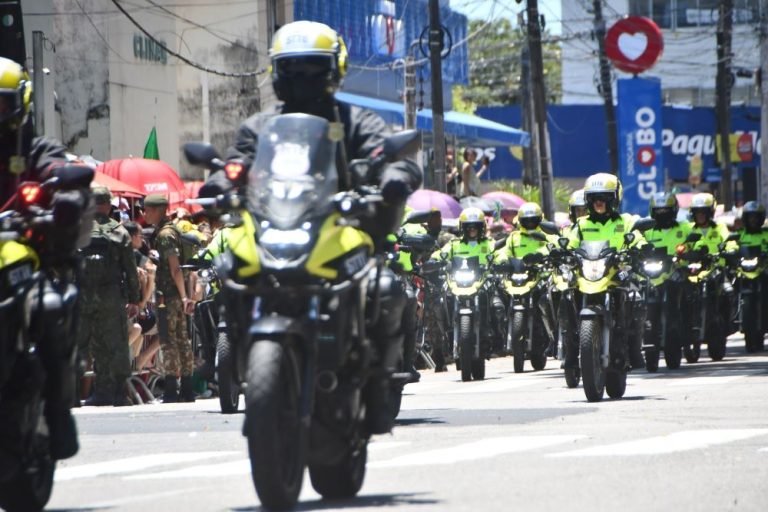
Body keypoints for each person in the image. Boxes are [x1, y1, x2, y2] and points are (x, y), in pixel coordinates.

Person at [201, 21, 421, 433]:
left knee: (389, 290)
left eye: (312, 69)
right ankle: (236, 359)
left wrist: (395, 174)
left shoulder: (354, 120)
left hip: (338, 227)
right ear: (277, 73)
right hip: (276, 226)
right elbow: (237, 162)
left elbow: (389, 152)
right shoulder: (260, 126)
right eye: (292, 69)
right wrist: (220, 182)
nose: (302, 78)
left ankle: (380, 385)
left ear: (332, 70)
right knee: (229, 271)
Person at [1, 56, 93, 460]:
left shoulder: (33, 148)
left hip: (19, 257)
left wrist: (65, 196)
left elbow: (60, 166)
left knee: (51, 306)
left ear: (20, 103)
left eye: (1, 104)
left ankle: (57, 414)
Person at [567, 172, 647, 369]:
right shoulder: (581, 225)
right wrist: (562, 252)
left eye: (604, 197)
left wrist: (641, 247)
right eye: (594, 198)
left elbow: (638, 237)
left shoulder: (625, 221)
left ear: (614, 198)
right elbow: (570, 244)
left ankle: (633, 349)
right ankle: (569, 348)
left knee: (636, 299)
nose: (599, 202)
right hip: (588, 274)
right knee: (565, 296)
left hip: (616, 274)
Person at [77, 187, 141, 406]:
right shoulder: (119, 231)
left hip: (84, 294)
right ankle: (120, 393)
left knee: (89, 343)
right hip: (111, 294)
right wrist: (135, 298)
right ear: (106, 204)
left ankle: (95, 392)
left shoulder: (79, 229)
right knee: (117, 343)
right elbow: (130, 269)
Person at [143, 194, 197, 403]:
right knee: (182, 340)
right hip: (177, 293)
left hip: (170, 294)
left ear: (157, 210)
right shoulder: (172, 230)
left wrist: (185, 298)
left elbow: (175, 269)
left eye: (147, 209)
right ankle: (187, 388)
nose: (144, 213)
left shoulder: (165, 235)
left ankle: (172, 390)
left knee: (169, 341)